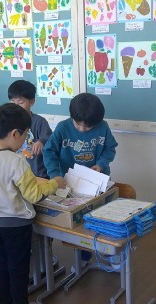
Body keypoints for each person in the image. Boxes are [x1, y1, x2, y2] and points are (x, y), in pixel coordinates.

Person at [0, 103, 66, 304]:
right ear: (15, 134)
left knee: (1, 263)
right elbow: (34, 195)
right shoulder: (16, 161)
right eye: (25, 136)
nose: (24, 141)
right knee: (18, 268)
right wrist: (54, 183)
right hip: (16, 224)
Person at [43, 93, 118, 269]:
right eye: (78, 124)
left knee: (104, 217)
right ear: (72, 117)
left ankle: (111, 253)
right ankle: (84, 258)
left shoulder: (103, 127)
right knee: (80, 221)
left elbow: (110, 149)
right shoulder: (63, 128)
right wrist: (55, 174)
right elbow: (49, 151)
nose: (83, 129)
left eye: (88, 126)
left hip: (97, 182)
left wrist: (101, 164)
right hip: (70, 183)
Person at [8, 79, 52, 178]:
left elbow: (50, 138)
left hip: (37, 174)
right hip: (15, 173)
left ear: (32, 102)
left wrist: (41, 142)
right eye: (12, 102)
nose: (16, 106)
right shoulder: (7, 121)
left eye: (20, 102)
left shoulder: (39, 121)